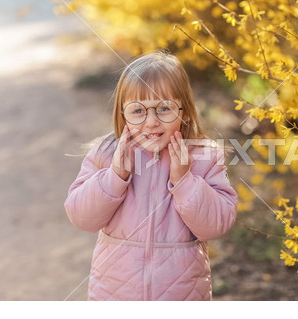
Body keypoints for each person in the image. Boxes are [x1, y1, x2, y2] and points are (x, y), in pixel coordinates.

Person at [64, 50, 238, 301]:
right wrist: (114, 176)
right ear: (122, 115)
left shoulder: (204, 156)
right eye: (138, 111)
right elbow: (82, 218)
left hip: (181, 296)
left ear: (185, 111)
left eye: (164, 109)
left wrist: (184, 181)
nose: (151, 122)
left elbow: (215, 225)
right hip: (115, 296)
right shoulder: (105, 153)